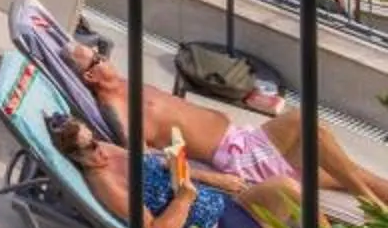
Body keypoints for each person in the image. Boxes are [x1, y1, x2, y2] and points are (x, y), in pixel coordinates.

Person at [67, 40, 388, 211]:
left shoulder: (125, 84)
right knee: (308, 127)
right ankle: (371, 206)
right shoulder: (117, 110)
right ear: (91, 77)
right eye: (97, 59)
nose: (104, 56)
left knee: (354, 173)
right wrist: (215, 180)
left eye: (99, 52)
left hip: (246, 141)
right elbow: (147, 161)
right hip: (240, 160)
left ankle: (372, 200)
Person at [50, 114, 299, 228]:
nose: (99, 148)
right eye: (89, 148)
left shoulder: (105, 150)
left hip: (227, 204)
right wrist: (185, 198)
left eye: (94, 138)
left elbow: (151, 162)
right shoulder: (107, 185)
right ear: (74, 157)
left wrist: (209, 177)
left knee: (289, 188)